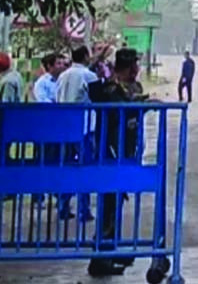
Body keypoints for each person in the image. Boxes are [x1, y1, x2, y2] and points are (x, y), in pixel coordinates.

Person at [87, 47, 151, 276]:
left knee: (116, 202)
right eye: (134, 64)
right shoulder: (109, 89)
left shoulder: (133, 87)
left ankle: (109, 249)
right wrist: (97, 62)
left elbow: (134, 107)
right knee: (109, 202)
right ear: (127, 66)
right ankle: (100, 258)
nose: (137, 69)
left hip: (126, 152)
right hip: (111, 151)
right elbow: (97, 93)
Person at [56, 46, 98, 222]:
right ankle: (84, 209)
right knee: (85, 168)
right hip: (85, 127)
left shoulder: (62, 75)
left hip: (64, 126)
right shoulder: (88, 76)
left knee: (66, 167)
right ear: (86, 57)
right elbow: (98, 97)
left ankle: (63, 206)